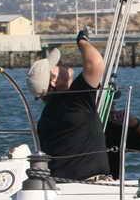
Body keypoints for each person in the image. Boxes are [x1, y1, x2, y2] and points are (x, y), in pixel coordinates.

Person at [28, 28, 110, 181]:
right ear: (53, 81)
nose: (63, 64)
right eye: (58, 65)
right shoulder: (74, 100)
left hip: (62, 183)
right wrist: (82, 40)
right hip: (88, 184)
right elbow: (96, 64)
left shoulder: (48, 114)